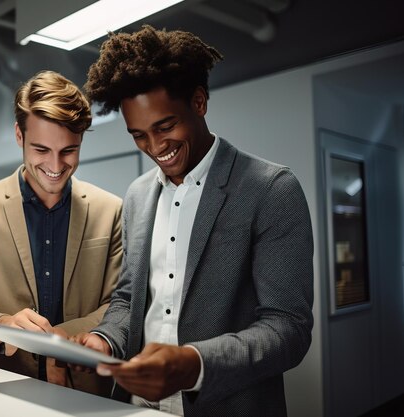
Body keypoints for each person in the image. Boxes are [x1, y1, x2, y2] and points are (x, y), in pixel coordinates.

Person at [71, 25, 314, 416]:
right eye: (139, 136)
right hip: (136, 405)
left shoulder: (272, 189)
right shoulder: (136, 196)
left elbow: (288, 328)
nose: (155, 147)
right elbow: (129, 298)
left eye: (165, 127)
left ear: (199, 102)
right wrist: (106, 338)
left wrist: (194, 364)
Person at [0, 70, 122, 396]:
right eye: (41, 150)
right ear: (19, 135)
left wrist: (60, 339)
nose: (56, 166)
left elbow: (116, 304)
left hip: (84, 387)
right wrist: (3, 326)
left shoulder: (111, 210)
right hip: (0, 384)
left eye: (69, 150)